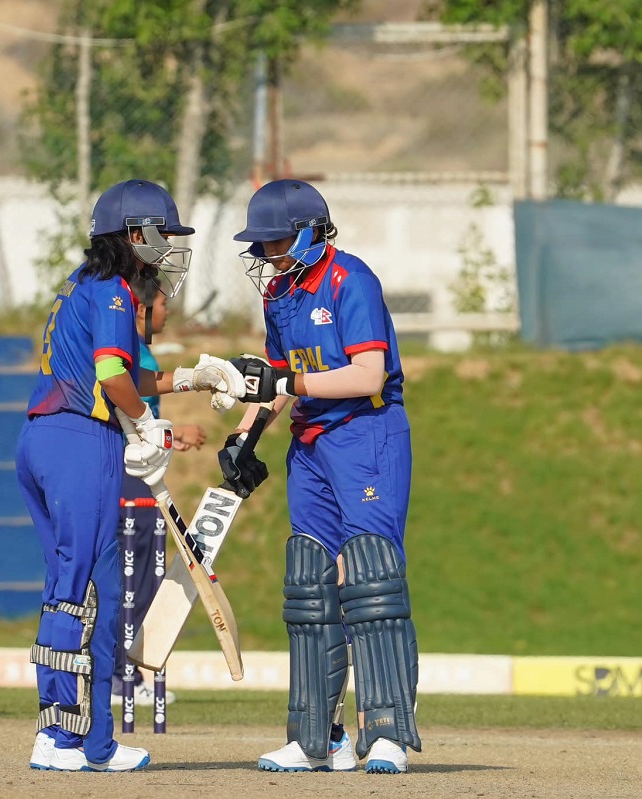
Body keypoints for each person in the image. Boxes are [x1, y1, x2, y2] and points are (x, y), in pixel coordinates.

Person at [20, 178, 243, 772]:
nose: (168, 248)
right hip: (79, 439)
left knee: (74, 587)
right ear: (134, 234)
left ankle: (88, 742)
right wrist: (147, 426)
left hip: (45, 438)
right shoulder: (116, 292)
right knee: (84, 592)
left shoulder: (83, 284)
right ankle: (61, 739)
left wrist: (189, 379)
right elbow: (116, 382)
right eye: (163, 234)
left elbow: (124, 375)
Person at [220, 179, 421, 774]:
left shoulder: (350, 279)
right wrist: (245, 436)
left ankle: (385, 731)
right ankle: (318, 737)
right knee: (311, 582)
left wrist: (288, 387)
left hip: (367, 433)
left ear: (310, 233)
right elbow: (274, 376)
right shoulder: (279, 293)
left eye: (275, 242)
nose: (266, 255)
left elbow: (366, 375)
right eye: (259, 245)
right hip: (310, 442)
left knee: (370, 575)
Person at [112, 290, 205, 708]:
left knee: (147, 575)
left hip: (144, 470)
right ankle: (122, 675)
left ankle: (134, 672)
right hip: (128, 476)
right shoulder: (125, 347)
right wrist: (174, 429)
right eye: (163, 304)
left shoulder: (140, 349)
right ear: (141, 308)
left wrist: (170, 436)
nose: (169, 312)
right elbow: (128, 402)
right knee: (133, 577)